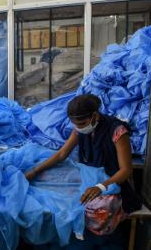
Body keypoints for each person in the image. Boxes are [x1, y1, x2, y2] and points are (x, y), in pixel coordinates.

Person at [25, 94, 141, 246]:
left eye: (81, 123)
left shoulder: (118, 131)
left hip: (112, 181)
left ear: (94, 115)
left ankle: (93, 241)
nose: (78, 127)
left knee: (89, 209)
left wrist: (101, 186)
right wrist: (35, 171)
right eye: (75, 124)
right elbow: (62, 154)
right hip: (90, 177)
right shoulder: (81, 129)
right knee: (44, 186)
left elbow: (126, 170)